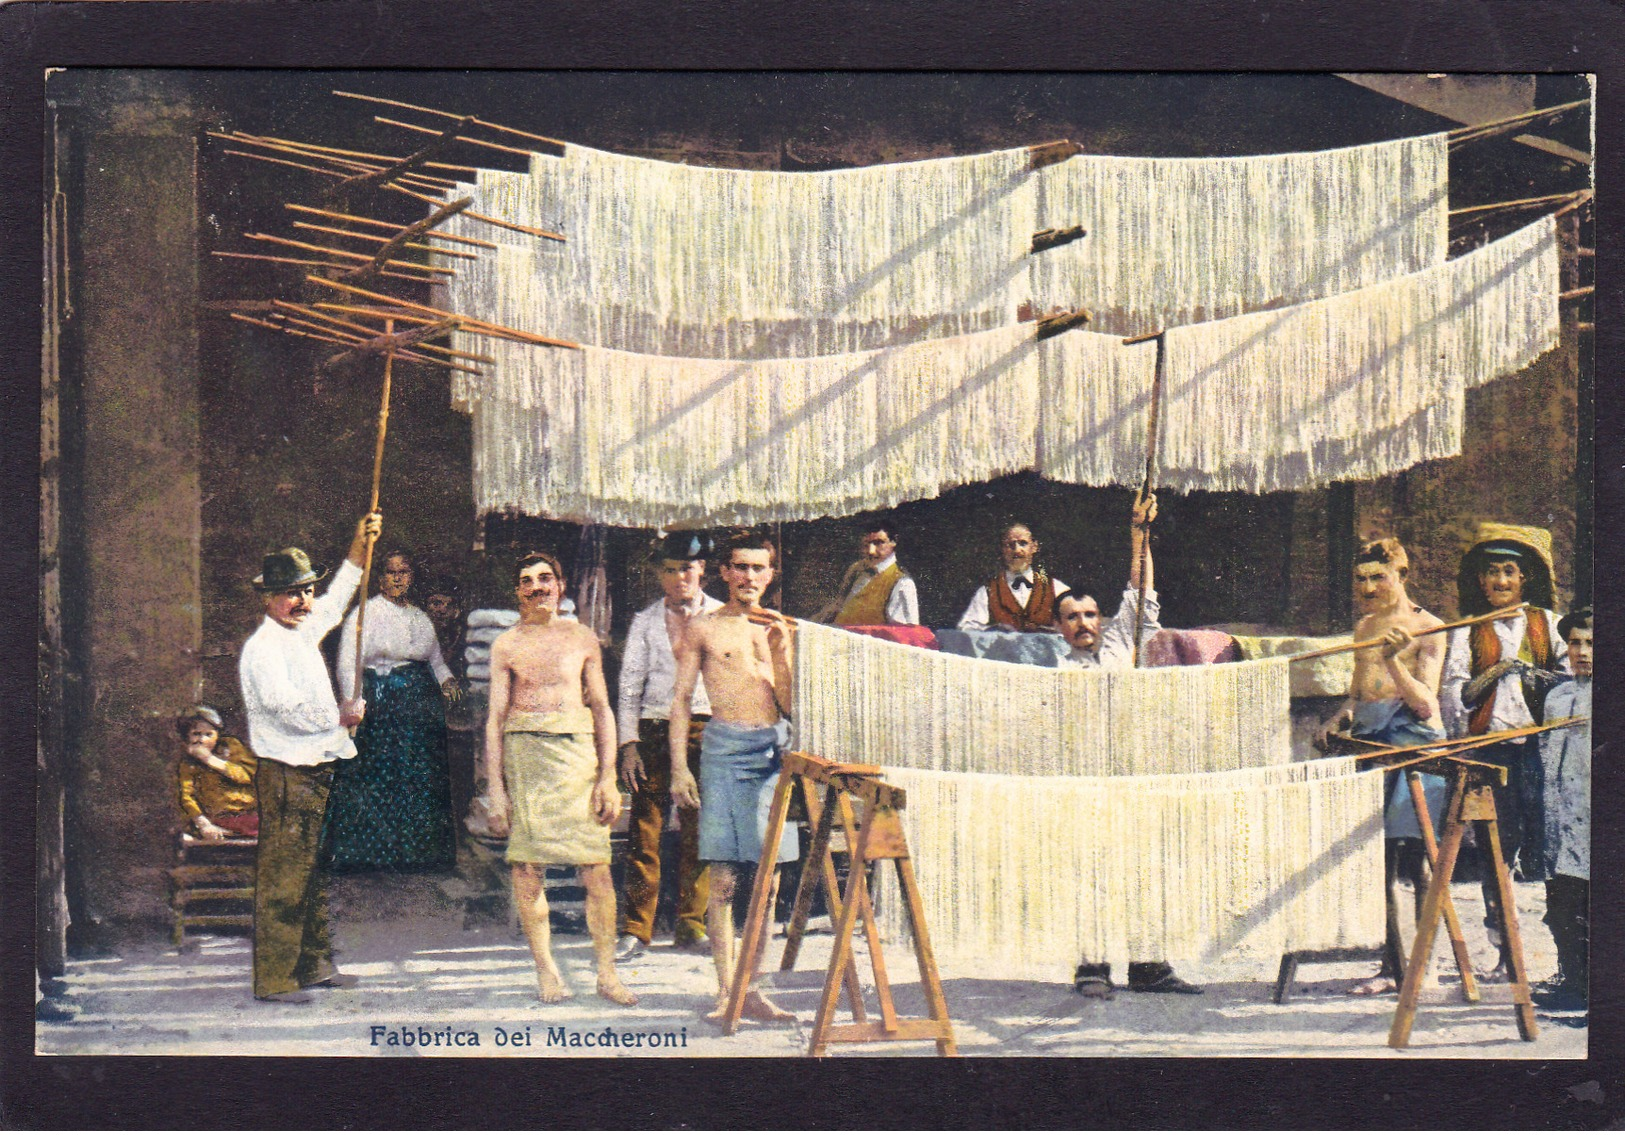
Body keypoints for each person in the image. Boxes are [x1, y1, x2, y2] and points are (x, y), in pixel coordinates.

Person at [1064, 492, 1201, 998]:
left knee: (1147, 865)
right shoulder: (1056, 671)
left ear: (1101, 620)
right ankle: (1092, 966)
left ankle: (1148, 966)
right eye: (1072, 617)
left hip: (1136, 770)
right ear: (1060, 627)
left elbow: (1141, 591)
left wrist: (1139, 533)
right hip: (1087, 779)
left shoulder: (1123, 645)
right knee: (1094, 870)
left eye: (1090, 615)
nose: (1083, 624)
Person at [238, 512, 379, 1003]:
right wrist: (339, 716)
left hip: (315, 771)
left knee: (312, 874)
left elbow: (340, 597)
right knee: (285, 877)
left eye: (306, 590)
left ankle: (314, 966)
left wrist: (360, 543)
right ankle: (276, 978)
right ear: (267, 598)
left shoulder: (300, 630)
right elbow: (287, 709)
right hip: (286, 775)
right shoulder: (263, 649)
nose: (302, 600)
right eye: (290, 592)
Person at [484, 551, 636, 1006]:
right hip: (526, 757)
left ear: (561, 585)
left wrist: (608, 777)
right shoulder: (505, 644)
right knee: (528, 869)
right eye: (526, 581)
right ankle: (547, 972)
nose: (537, 587)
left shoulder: (582, 638)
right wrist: (496, 791)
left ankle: (606, 974)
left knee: (597, 871)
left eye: (545, 578)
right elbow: (494, 719)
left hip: (577, 758)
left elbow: (604, 709)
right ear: (517, 592)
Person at [669, 531, 799, 1023]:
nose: (748, 577)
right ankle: (726, 990)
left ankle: (753, 989)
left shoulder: (779, 626)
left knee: (767, 881)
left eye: (758, 568)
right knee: (723, 879)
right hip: (723, 751)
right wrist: (680, 767)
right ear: (723, 572)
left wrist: (782, 653)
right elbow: (680, 700)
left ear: (770, 575)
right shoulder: (702, 628)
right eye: (740, 567)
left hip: (771, 753)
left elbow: (789, 705)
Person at [1313, 538, 1447, 996]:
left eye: (1378, 577)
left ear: (1403, 575)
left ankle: (1424, 967)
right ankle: (1392, 965)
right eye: (1361, 579)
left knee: (1418, 860)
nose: (1367, 588)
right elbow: (1358, 694)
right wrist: (1336, 719)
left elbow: (1426, 704)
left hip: (1413, 742)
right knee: (1378, 861)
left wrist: (1393, 660)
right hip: (1370, 741)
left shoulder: (1428, 627)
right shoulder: (1364, 627)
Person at [1439, 523, 1568, 979]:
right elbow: (1455, 693)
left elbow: (1573, 682)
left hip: (1542, 754)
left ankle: (1566, 961)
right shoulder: (1467, 632)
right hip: (1491, 754)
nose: (1499, 581)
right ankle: (1504, 954)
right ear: (1479, 580)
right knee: (1497, 854)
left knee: (1553, 851)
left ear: (1524, 578)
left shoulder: (1550, 626)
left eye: (1508, 571)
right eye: (1490, 572)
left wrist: (1533, 677)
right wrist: (1496, 672)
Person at [614, 532, 724, 962]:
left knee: (700, 831)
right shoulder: (644, 622)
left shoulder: (721, 617)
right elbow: (628, 689)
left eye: (687, 568)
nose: (680, 577)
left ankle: (691, 925)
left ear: (702, 571)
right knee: (646, 831)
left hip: (706, 729)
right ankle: (636, 931)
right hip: (655, 731)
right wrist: (629, 744)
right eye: (670, 570)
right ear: (659, 574)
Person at [328, 550, 458, 871]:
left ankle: (418, 854)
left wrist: (447, 681)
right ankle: (370, 856)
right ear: (381, 577)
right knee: (379, 771)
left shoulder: (420, 617)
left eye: (404, 572)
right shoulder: (366, 613)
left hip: (418, 703)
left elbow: (435, 660)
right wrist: (352, 700)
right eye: (390, 572)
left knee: (417, 773)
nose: (397, 578)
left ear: (411, 576)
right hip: (380, 699)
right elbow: (348, 663)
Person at [1533, 607, 1591, 1015]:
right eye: (1575, 643)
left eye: (1591, 643)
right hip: (1561, 813)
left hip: (1598, 818)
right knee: (1561, 907)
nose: (1582, 651)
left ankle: (1598, 1000)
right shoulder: (1557, 696)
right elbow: (1546, 755)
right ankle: (1572, 980)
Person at [957, 522, 1071, 632]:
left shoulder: (1057, 588)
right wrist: (990, 630)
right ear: (1003, 550)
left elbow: (1075, 626)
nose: (1017, 550)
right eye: (1010, 545)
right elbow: (966, 628)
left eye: (1023, 543)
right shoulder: (987, 591)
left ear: (1034, 547)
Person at [812, 520, 920, 626]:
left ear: (893, 542)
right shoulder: (856, 570)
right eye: (866, 544)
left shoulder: (902, 583)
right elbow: (836, 608)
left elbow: (905, 635)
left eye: (879, 543)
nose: (871, 551)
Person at [175, 705, 258, 839]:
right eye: (196, 734)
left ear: (217, 735)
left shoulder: (231, 747)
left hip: (246, 814)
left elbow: (247, 776)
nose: (202, 740)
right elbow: (186, 797)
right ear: (187, 737)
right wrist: (203, 824)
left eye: (209, 734)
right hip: (216, 817)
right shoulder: (188, 764)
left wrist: (209, 759)